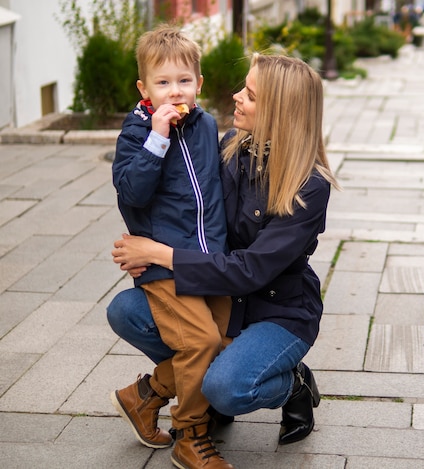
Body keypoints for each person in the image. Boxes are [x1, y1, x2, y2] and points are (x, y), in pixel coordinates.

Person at [107, 53, 340, 468]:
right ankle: (178, 389)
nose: (235, 96)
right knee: (127, 310)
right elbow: (181, 202)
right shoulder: (232, 146)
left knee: (228, 386)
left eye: (249, 94)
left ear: (278, 110)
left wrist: (162, 255)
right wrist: (143, 246)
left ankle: (292, 384)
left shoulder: (310, 185)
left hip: (276, 310)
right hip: (220, 298)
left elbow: (251, 269)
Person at [109, 24, 232, 469]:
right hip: (163, 264)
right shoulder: (136, 132)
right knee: (200, 341)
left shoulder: (206, 125)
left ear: (199, 84)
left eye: (183, 81)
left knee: (221, 342)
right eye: (162, 83)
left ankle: (143, 396)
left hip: (208, 260)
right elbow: (132, 192)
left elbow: (215, 190)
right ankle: (190, 435)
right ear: (144, 89)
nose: (174, 91)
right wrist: (156, 139)